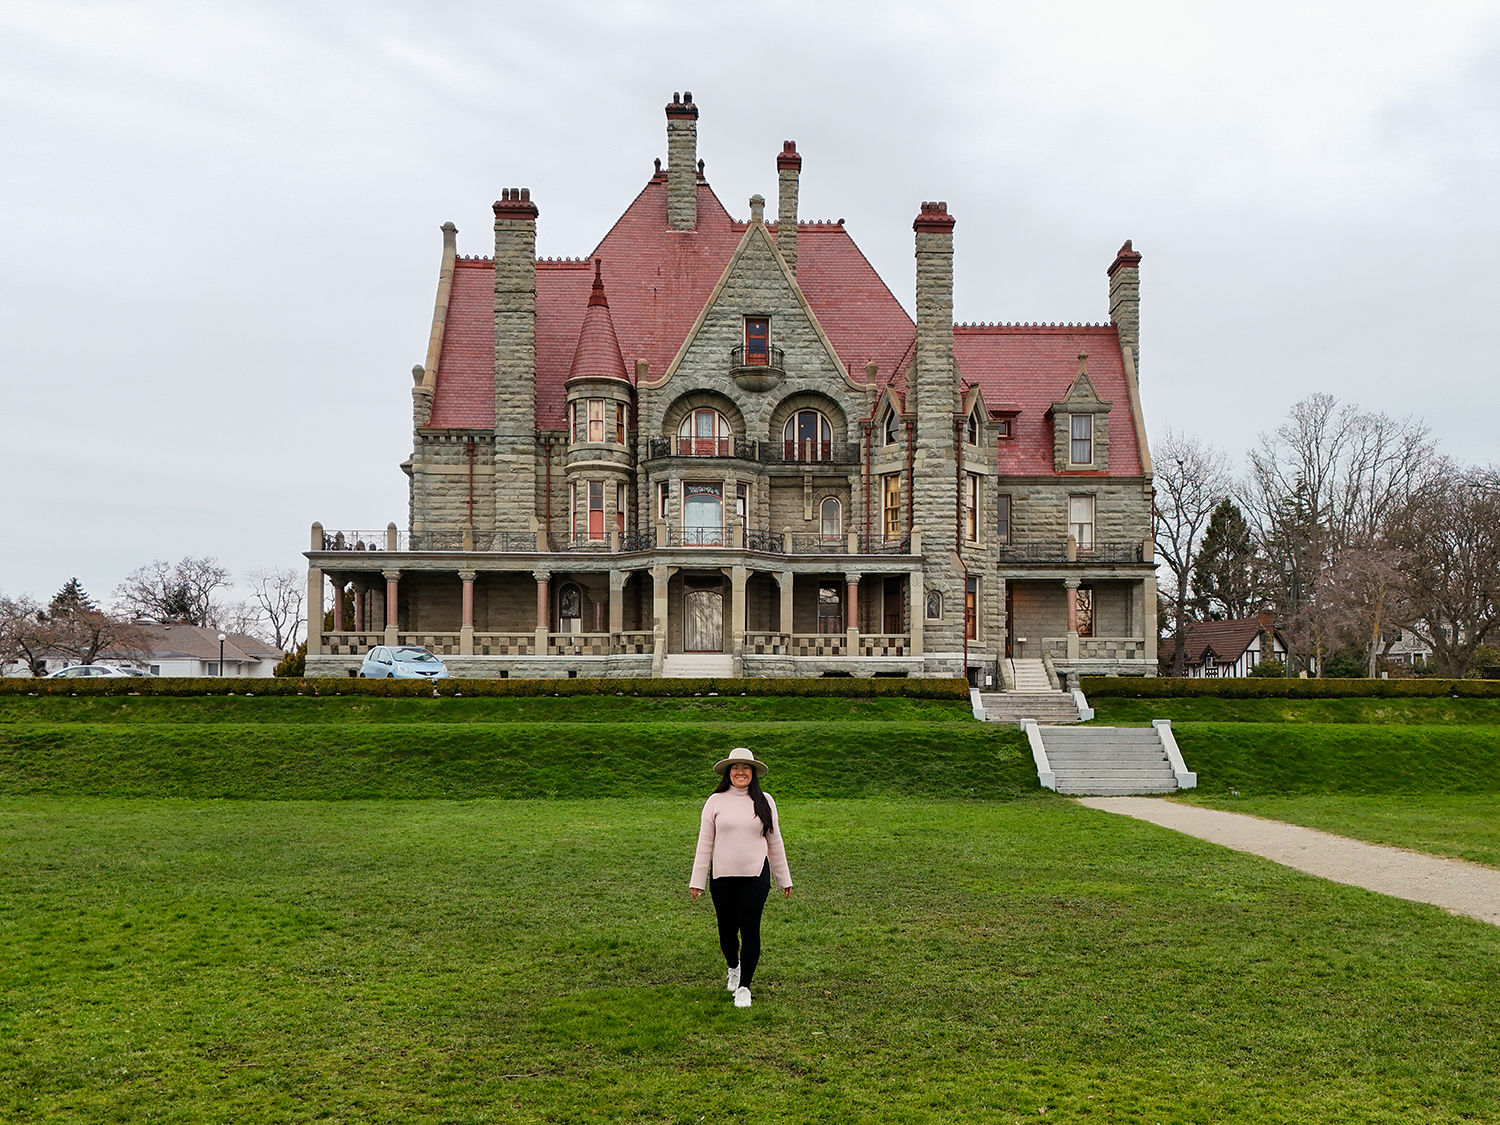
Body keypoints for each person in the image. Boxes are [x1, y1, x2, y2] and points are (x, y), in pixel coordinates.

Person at [689, 747, 793, 1009]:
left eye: (745, 767)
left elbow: (774, 840)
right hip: (722, 876)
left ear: (753, 773)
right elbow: (705, 841)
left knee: (750, 929)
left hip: (756, 875)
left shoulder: (765, 800)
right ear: (728, 773)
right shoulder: (715, 801)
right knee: (726, 932)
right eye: (735, 767)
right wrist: (697, 879)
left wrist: (784, 878)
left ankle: (745, 986)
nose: (740, 772)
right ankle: (733, 967)